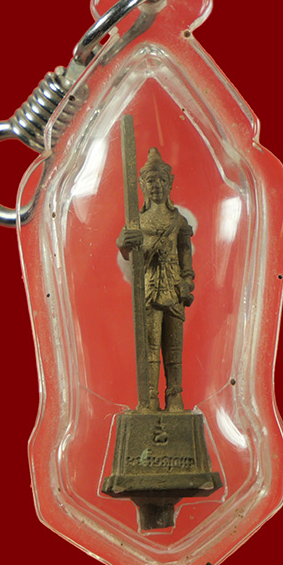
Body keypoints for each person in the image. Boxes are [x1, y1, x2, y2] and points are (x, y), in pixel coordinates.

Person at [117, 148, 195, 412]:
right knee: (150, 347)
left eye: (161, 180)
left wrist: (186, 281)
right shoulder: (136, 221)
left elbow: (186, 257)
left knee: (173, 348)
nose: (157, 186)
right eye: (151, 181)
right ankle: (150, 397)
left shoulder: (178, 220)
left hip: (173, 288)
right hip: (149, 287)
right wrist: (123, 243)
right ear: (142, 185)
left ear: (169, 183)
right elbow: (128, 252)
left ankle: (174, 396)